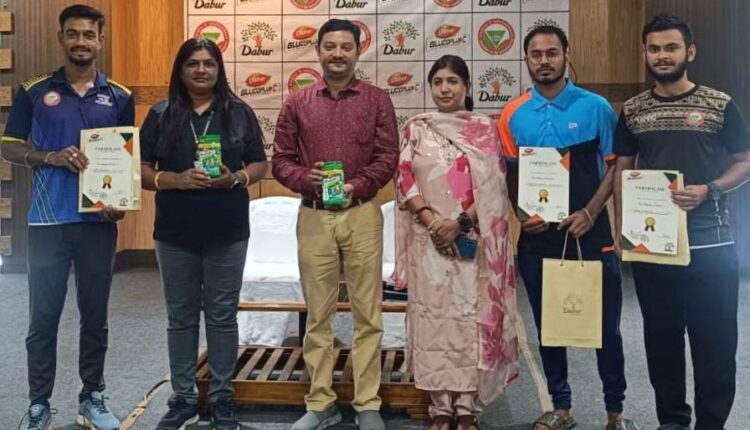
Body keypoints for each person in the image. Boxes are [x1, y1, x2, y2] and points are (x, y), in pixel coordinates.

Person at [0, 5, 133, 430]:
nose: (81, 41)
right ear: (61, 38)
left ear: (100, 40)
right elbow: (9, 146)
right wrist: (49, 157)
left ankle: (92, 396)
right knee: (43, 318)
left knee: (95, 315)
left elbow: (124, 160)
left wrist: (120, 201)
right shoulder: (34, 91)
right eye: (72, 34)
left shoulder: (120, 97)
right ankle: (39, 403)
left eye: (88, 35)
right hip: (47, 221)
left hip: (97, 224)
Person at [613, 15, 750, 430]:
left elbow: (745, 162)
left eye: (671, 48)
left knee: (716, 346)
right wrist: (622, 229)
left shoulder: (719, 104)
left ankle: (711, 424)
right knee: (662, 344)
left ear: (689, 52)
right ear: (645, 54)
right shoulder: (633, 110)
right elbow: (623, 169)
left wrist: (710, 189)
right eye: (654, 48)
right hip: (654, 247)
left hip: (711, 244)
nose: (662, 56)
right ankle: (672, 421)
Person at [498, 26, 638, 430]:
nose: (544, 61)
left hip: (590, 234)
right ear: (526, 59)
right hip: (538, 239)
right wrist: (522, 214)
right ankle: (561, 408)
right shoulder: (513, 114)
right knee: (549, 327)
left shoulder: (595, 107)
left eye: (552, 53)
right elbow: (510, 173)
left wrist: (592, 212)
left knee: (605, 328)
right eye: (536, 54)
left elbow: (615, 167)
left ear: (566, 55)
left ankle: (616, 413)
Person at [272, 18, 398, 430]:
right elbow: (280, 161)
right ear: (319, 51)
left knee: (368, 314)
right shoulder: (297, 102)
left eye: (346, 47)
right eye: (330, 46)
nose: (338, 54)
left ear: (358, 51)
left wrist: (356, 186)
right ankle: (320, 402)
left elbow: (388, 158)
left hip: (362, 213)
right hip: (314, 215)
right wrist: (305, 178)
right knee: (318, 315)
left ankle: (368, 404)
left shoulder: (377, 101)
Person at [139, 38, 267, 430]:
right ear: (180, 70)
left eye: (209, 63)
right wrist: (173, 179)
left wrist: (236, 178)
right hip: (175, 233)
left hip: (228, 230)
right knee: (180, 317)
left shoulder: (239, 112)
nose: (201, 70)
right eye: (192, 63)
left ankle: (222, 397)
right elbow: (140, 169)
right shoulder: (161, 114)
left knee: (222, 316)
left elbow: (259, 163)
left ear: (218, 69)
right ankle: (183, 398)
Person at [393, 55, 519, 430]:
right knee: (433, 320)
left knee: (469, 318)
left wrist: (459, 223)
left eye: (452, 82)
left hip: (471, 239)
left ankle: (467, 405)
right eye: (438, 82)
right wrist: (433, 223)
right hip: (428, 241)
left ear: (466, 87)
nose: (445, 89)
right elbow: (404, 180)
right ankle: (440, 406)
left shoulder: (484, 130)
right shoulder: (416, 128)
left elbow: (493, 188)